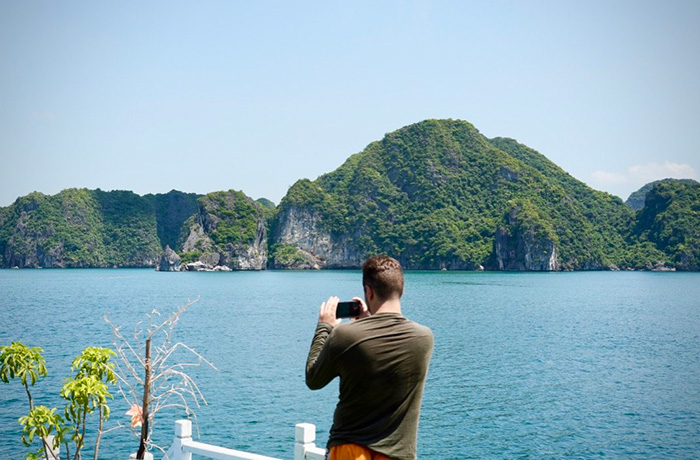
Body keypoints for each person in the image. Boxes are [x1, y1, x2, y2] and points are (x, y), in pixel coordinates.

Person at [306, 255, 434, 460]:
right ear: (402, 290)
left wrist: (324, 327)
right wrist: (370, 321)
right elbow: (384, 342)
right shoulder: (424, 338)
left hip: (350, 451)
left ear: (368, 291)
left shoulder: (345, 335)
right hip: (398, 455)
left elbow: (313, 379)